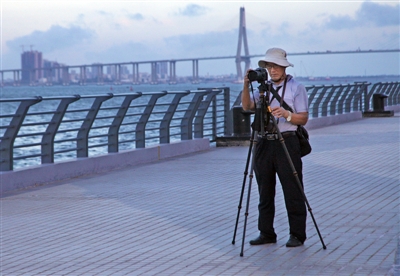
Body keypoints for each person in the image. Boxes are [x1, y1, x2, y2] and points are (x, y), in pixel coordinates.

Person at [241, 47, 309, 247]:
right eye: (269, 66)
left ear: (284, 67)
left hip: (287, 140)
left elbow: (303, 118)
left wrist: (286, 115)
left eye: (276, 66)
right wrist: (245, 85)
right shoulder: (263, 89)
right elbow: (247, 107)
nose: (273, 70)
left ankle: (297, 234)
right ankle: (266, 233)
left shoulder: (297, 88)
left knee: (293, 190)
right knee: (264, 190)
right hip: (263, 141)